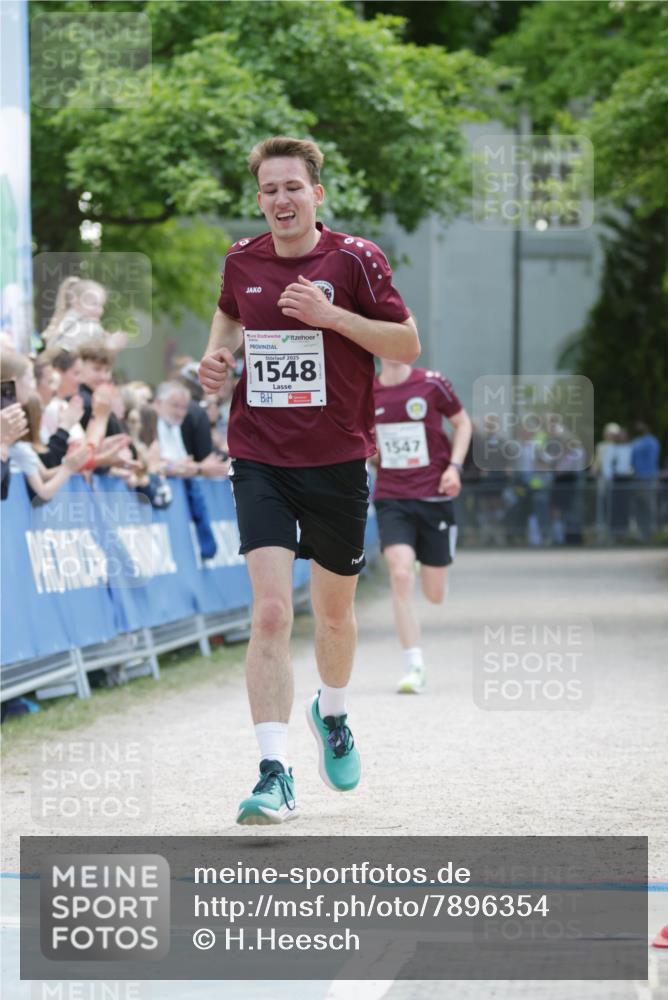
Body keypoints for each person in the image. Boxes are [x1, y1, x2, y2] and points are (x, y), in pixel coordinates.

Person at [198, 135, 419, 825]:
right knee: (270, 612)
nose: (281, 199)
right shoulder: (242, 258)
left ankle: (334, 713)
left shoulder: (355, 258)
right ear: (259, 198)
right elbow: (230, 312)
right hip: (259, 454)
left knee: (333, 616)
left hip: (338, 459)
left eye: (292, 187)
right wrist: (217, 357)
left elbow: (406, 342)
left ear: (316, 194)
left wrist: (331, 317)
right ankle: (274, 772)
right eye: (269, 190)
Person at [373, 359, 471, 693]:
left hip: (434, 496)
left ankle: (422, 559)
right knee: (400, 574)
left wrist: (455, 467)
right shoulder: (367, 391)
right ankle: (415, 666)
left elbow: (463, 423)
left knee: (435, 594)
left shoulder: (432, 383)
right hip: (392, 496)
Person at [41, 277, 128, 353]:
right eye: (94, 304)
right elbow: (96, 356)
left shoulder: (62, 320)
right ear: (76, 302)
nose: (100, 310)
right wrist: (112, 343)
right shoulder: (90, 327)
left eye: (101, 305)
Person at [630, 420, 661, 541]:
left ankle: (651, 532)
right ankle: (641, 532)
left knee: (649, 505)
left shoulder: (652, 442)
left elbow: (653, 460)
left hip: (649, 478)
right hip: (637, 479)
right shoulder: (636, 442)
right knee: (639, 506)